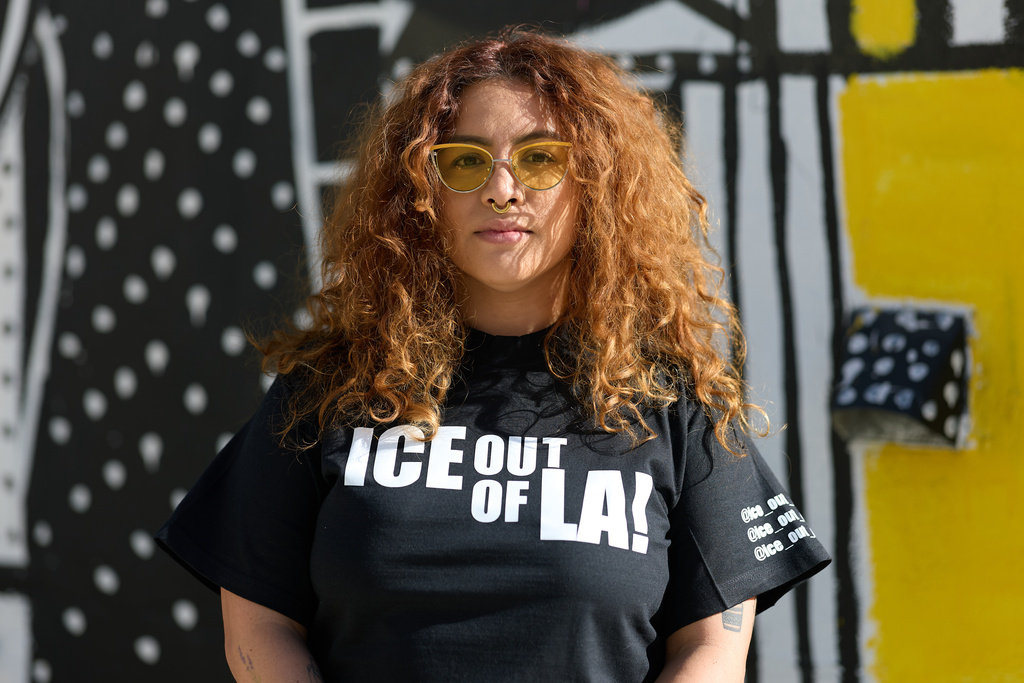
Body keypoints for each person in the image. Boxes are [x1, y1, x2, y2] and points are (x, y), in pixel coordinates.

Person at [157, 28, 830, 682]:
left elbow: (715, 648)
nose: (503, 188)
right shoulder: (329, 392)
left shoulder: (673, 404)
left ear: (594, 182)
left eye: (540, 158)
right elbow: (258, 625)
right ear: (421, 194)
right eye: (465, 161)